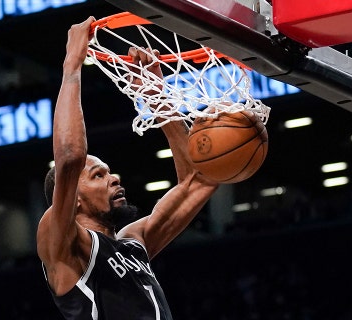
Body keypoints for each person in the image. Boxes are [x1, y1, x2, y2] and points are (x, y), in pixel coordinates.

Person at [36, 16, 220, 319]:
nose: (115, 177)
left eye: (109, 172)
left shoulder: (135, 242)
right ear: (74, 198)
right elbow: (70, 158)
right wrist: (72, 65)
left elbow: (200, 180)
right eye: (98, 175)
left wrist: (156, 96)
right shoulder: (63, 243)